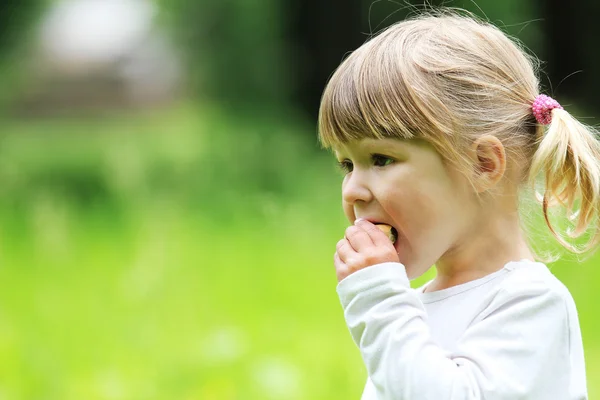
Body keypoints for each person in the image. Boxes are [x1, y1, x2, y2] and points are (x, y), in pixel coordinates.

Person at [318, 8, 597, 400]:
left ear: (483, 165)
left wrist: (378, 301)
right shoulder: (408, 310)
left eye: (381, 159)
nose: (353, 190)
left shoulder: (529, 302)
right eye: (347, 164)